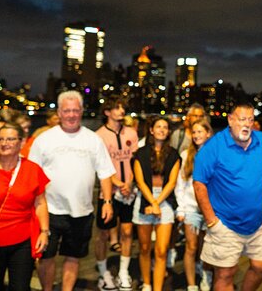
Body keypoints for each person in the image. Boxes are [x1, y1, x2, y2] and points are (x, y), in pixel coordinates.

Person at [28, 90, 115, 291]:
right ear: (59, 112)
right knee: (46, 257)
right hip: (48, 210)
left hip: (82, 211)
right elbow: (31, 174)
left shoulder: (93, 139)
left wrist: (108, 202)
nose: (71, 115)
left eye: (76, 110)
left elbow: (105, 172)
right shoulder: (44, 139)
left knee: (73, 257)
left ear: (82, 111)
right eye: (67, 111)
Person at [193, 103, 262, 291]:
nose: (246, 124)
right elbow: (199, 184)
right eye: (241, 119)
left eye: (250, 120)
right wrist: (212, 222)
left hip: (260, 221)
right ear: (230, 120)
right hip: (225, 224)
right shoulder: (213, 147)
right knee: (225, 274)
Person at [0, 122, 50, 291]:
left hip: (22, 241)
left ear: (22, 142)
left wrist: (44, 231)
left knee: (20, 287)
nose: (4, 143)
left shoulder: (32, 170)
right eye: (0, 139)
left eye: (10, 139)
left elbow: (40, 203)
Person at [94, 97, 140, 291]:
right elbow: (100, 166)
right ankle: (103, 273)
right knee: (103, 234)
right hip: (109, 193)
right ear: (107, 112)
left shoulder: (131, 133)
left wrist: (129, 183)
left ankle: (123, 272)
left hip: (129, 191)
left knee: (127, 232)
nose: (121, 111)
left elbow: (136, 161)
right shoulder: (99, 136)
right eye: (116, 108)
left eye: (123, 107)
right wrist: (118, 183)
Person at [133, 117, 181, 291]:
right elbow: (140, 182)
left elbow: (172, 182)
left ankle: (158, 288)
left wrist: (157, 203)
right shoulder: (140, 153)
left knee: (161, 251)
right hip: (144, 198)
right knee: (145, 247)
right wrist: (152, 202)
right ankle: (146, 283)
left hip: (165, 200)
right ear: (151, 130)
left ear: (169, 132)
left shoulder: (174, 154)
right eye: (158, 126)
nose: (162, 130)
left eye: (165, 127)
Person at [175, 118, 214, 291]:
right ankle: (191, 284)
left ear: (208, 133)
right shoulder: (186, 155)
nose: (197, 135)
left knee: (206, 247)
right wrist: (181, 209)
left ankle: (206, 275)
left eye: (200, 131)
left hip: (210, 210)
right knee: (191, 247)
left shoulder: (215, 155)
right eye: (194, 132)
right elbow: (180, 184)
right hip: (191, 209)